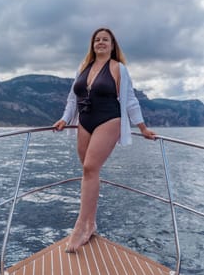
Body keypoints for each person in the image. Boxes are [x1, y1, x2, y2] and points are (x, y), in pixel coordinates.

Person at [53, 27, 156, 253]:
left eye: (105, 40)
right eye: (97, 40)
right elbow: (73, 98)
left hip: (109, 119)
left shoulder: (118, 68)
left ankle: (80, 226)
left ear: (112, 45)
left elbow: (129, 99)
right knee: (89, 172)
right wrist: (64, 119)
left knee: (91, 167)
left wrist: (143, 127)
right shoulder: (83, 67)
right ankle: (91, 224)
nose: (100, 42)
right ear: (93, 44)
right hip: (85, 121)